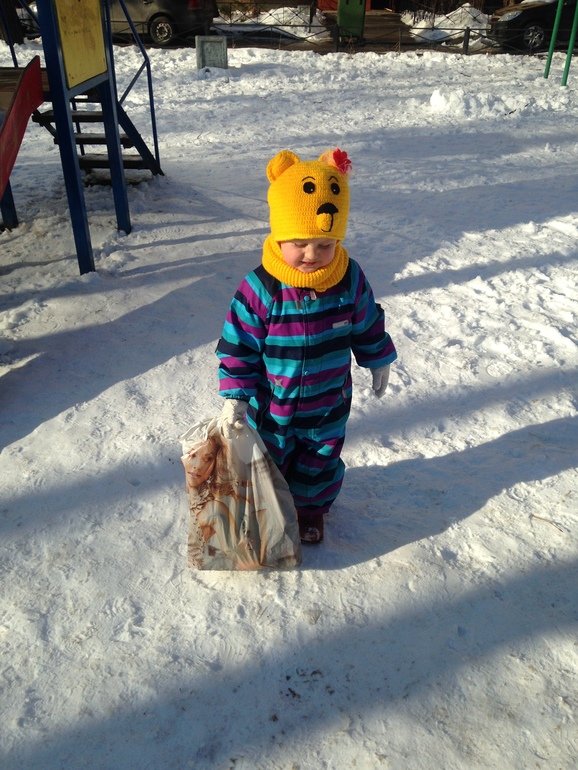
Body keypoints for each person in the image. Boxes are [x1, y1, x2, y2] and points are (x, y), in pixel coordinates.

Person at [216, 148, 397, 544]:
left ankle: (311, 511)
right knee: (270, 461)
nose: (312, 255)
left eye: (325, 244)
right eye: (299, 243)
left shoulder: (347, 278)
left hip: (329, 402)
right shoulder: (261, 288)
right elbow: (238, 346)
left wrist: (378, 357)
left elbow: (366, 321)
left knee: (319, 461)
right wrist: (236, 396)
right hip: (273, 406)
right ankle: (271, 510)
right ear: (280, 234)